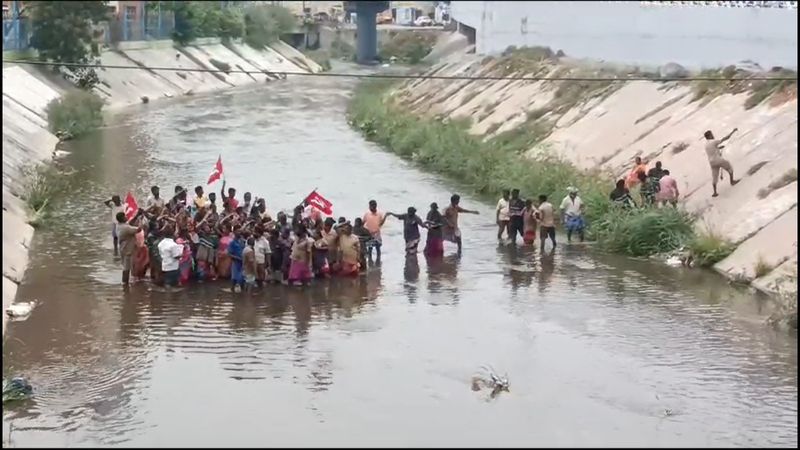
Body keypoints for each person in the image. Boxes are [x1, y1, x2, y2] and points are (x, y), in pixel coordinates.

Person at [704, 129, 740, 197]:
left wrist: (718, 148)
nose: (713, 135)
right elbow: (725, 138)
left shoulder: (706, 145)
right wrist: (732, 131)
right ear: (709, 136)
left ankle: (715, 192)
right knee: (729, 167)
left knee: (714, 177)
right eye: (711, 134)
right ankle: (732, 181)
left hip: (712, 163)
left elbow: (713, 149)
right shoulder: (713, 141)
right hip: (718, 160)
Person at [115, 210, 144, 285]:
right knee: (126, 268)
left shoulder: (119, 225)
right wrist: (140, 220)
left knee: (125, 266)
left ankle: (125, 283)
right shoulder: (126, 228)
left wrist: (137, 215)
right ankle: (125, 284)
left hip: (123, 248)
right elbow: (139, 229)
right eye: (125, 216)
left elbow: (129, 223)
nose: (126, 217)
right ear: (122, 218)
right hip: (127, 249)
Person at [362, 200, 388, 264]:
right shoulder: (367, 214)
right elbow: (362, 223)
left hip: (377, 233)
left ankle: (378, 261)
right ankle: (370, 261)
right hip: (369, 234)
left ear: (375, 206)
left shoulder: (379, 214)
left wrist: (385, 217)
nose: (370, 207)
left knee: (378, 248)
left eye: (371, 206)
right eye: (370, 206)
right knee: (370, 248)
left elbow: (381, 224)